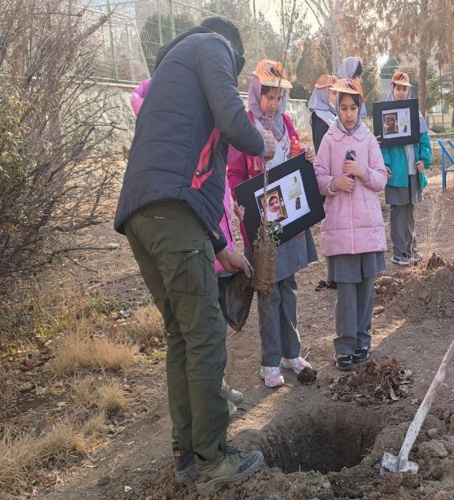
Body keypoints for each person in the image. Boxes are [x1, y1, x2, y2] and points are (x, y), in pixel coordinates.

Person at [114, 17, 270, 495]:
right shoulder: (212, 46)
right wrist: (267, 143)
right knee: (205, 337)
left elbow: (183, 168)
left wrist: (224, 250)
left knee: (181, 335)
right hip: (171, 215)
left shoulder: (171, 76)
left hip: (143, 216)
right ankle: (214, 458)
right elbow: (232, 118)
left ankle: (186, 453)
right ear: (234, 51)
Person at [129, 77, 245, 419]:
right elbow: (191, 194)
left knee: (203, 330)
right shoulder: (173, 129)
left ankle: (212, 396)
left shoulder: (195, 127)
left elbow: (214, 186)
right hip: (188, 244)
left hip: (208, 239)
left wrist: (224, 243)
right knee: (200, 334)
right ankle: (210, 437)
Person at [227, 59, 318, 388]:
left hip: (289, 219)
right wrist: (239, 206)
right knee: (268, 290)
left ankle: (292, 353)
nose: (274, 104)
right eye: (269, 96)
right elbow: (235, 175)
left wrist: (305, 156)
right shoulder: (245, 128)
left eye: (279, 97)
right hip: (263, 227)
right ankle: (270, 361)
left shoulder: (287, 124)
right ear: (256, 93)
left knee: (288, 287)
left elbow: (294, 157)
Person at [314, 78, 388, 371]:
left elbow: (381, 178)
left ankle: (362, 341)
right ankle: (344, 346)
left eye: (352, 108)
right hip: (341, 230)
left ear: (360, 109)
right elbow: (318, 175)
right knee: (346, 290)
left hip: (367, 228)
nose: (348, 114)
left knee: (366, 290)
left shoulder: (368, 140)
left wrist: (362, 171)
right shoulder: (329, 140)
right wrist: (335, 183)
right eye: (343, 108)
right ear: (337, 108)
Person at [381, 71, 432, 266]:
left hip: (413, 173)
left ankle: (411, 249)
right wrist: (385, 164)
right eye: (398, 88)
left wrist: (423, 160)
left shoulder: (416, 114)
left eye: (404, 89)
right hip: (397, 174)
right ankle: (400, 252)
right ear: (392, 88)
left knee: (409, 212)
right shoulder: (385, 115)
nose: (401, 92)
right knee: (397, 213)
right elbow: (383, 145)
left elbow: (425, 141)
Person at [307, 74, 340, 291]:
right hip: (329, 181)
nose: (335, 96)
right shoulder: (320, 119)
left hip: (338, 178)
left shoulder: (331, 114)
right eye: (332, 91)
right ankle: (333, 276)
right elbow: (323, 153)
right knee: (332, 228)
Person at [308, 74, 338, 153]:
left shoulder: (332, 113)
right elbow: (320, 150)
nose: (338, 97)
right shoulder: (319, 118)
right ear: (323, 94)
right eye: (334, 93)